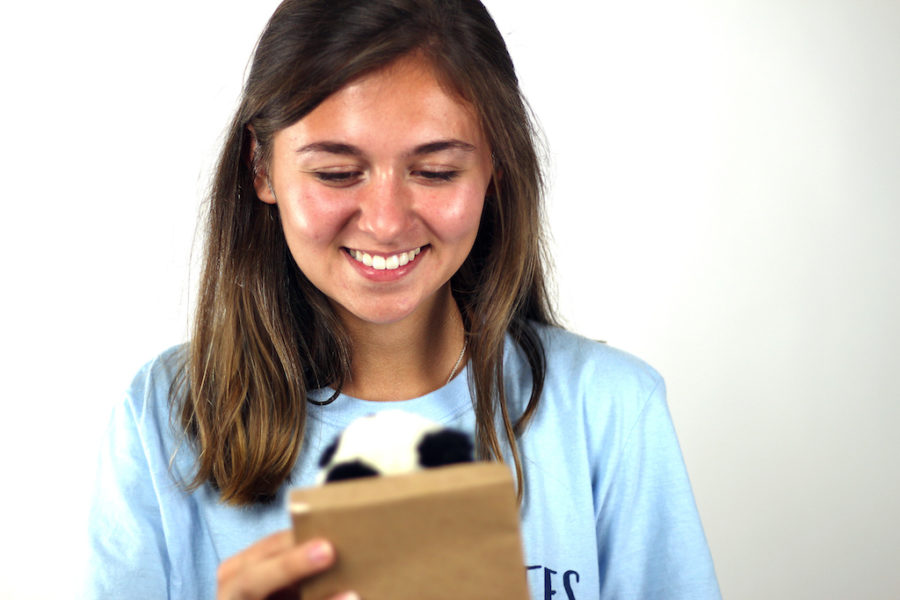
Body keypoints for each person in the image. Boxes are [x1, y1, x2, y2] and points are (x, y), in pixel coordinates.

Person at [85, 1, 721, 598]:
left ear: (495, 168)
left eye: (437, 171)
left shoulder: (609, 410)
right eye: (336, 172)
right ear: (260, 166)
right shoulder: (160, 421)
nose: (386, 223)